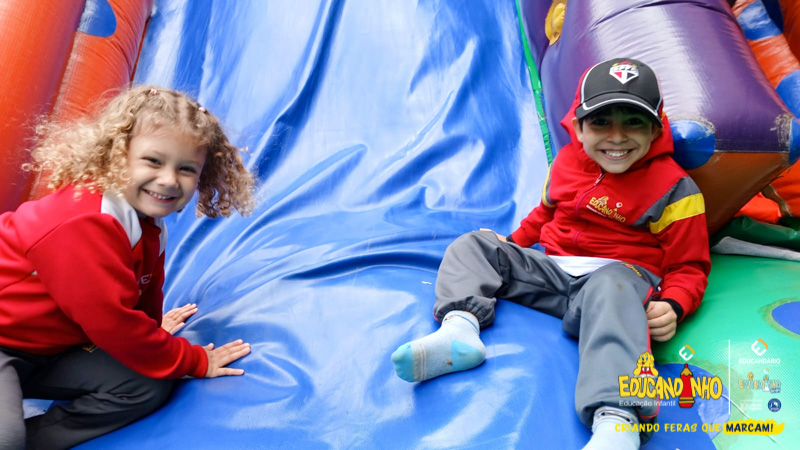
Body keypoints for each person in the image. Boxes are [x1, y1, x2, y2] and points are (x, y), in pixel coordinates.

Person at [391, 58, 711, 449]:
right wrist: (510, 244)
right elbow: (544, 214)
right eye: (601, 122)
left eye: (634, 122)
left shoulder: (674, 189)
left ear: (656, 129)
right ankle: (459, 332)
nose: (617, 137)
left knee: (613, 286)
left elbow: (690, 264)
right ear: (578, 126)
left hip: (617, 284)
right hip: (552, 273)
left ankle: (618, 422)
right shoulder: (566, 163)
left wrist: (675, 304)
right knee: (474, 243)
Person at [0, 85, 256, 449]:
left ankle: (35, 441)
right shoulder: (85, 222)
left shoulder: (146, 223)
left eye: (186, 169)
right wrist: (193, 360)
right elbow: (113, 323)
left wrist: (154, 331)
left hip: (49, 349)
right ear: (117, 156)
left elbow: (144, 288)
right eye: (153, 161)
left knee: (147, 383)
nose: (169, 180)